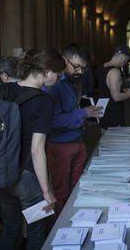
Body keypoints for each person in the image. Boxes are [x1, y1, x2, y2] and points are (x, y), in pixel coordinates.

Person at [0, 49, 64, 249]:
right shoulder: (43, 101)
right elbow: (36, 150)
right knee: (35, 231)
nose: (58, 79)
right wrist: (46, 190)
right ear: (47, 72)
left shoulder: (4, 90)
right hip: (26, 177)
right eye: (58, 73)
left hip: (0, 172)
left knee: (10, 227)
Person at [44, 44, 102, 217]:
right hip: (60, 147)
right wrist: (83, 113)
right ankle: (58, 230)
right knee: (61, 193)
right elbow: (52, 121)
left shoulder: (71, 82)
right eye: (76, 66)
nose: (79, 71)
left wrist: (82, 118)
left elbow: (69, 111)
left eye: (83, 68)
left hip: (76, 142)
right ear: (64, 60)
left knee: (76, 188)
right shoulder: (53, 84)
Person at [95, 45, 130, 128]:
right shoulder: (115, 72)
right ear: (122, 57)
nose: (126, 63)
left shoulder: (102, 68)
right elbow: (116, 97)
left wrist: (123, 90)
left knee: (105, 138)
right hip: (113, 114)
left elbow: (107, 88)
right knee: (115, 139)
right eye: (127, 60)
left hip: (102, 111)